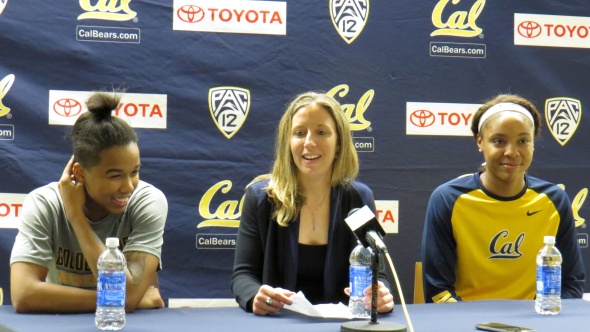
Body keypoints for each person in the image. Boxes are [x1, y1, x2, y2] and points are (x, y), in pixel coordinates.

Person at [230, 91, 394, 315]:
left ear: (339, 142)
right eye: (299, 133)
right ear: (288, 142)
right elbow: (243, 275)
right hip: (278, 324)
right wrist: (255, 295)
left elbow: (378, 274)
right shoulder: (260, 198)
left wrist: (380, 292)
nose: (309, 142)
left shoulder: (359, 198)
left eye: (321, 132)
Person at [10, 91, 168, 313]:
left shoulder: (147, 201)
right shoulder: (44, 203)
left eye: (134, 172)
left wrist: (77, 220)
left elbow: (128, 295)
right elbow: (24, 295)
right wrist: (123, 299)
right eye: (115, 176)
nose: (129, 186)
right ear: (80, 173)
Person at [421, 94, 585, 303]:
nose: (511, 152)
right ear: (480, 141)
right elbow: (438, 292)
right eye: (499, 141)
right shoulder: (447, 199)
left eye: (523, 141)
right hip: (466, 323)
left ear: (534, 142)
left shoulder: (555, 200)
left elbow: (571, 285)